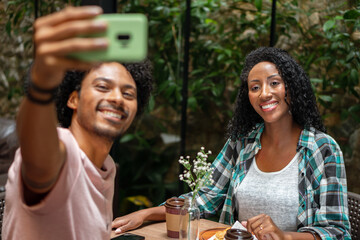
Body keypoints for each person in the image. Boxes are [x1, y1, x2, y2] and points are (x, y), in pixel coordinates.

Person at [112, 47, 351, 240]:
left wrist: (283, 237)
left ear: (293, 87)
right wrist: (145, 215)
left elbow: (336, 231)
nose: (264, 93)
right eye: (255, 87)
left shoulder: (322, 149)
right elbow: (203, 200)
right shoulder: (242, 144)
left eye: (274, 83)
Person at [2, 6, 153, 240]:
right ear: (73, 99)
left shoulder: (106, 167)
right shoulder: (64, 152)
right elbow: (40, 152)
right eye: (102, 87)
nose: (116, 98)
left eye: (128, 94)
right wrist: (41, 86)